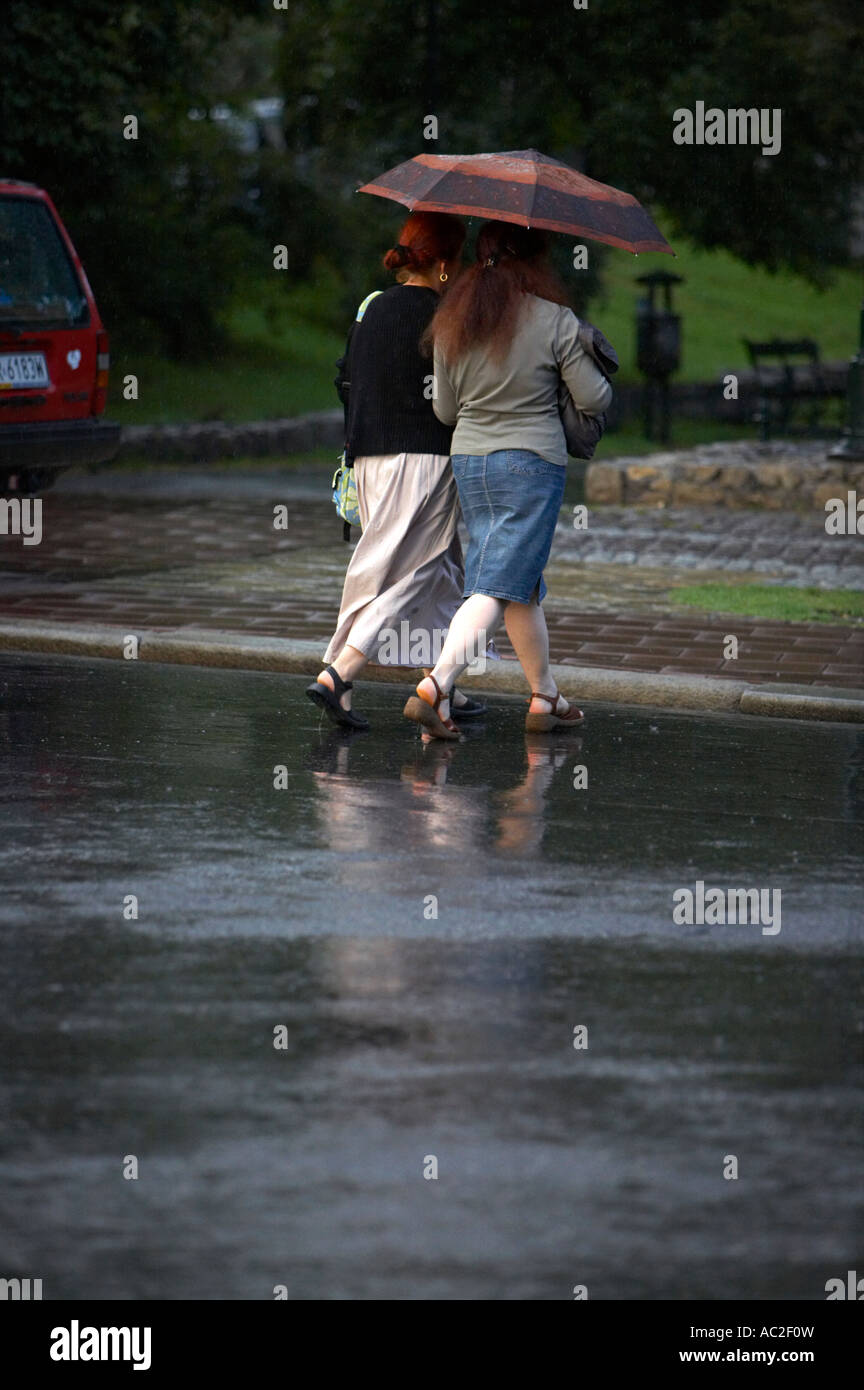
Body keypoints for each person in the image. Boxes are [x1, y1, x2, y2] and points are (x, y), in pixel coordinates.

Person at [402, 220, 612, 740]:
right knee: (497, 582)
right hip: (531, 463)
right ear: (535, 259)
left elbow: (445, 409)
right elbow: (595, 400)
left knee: (519, 583)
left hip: (471, 460)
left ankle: (545, 697)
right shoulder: (555, 320)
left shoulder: (454, 319)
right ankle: (436, 685)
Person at [307, 211, 486, 730]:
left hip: (368, 457)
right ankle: (339, 673)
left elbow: (345, 378)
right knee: (417, 570)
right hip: (424, 459)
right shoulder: (443, 316)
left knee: (427, 568)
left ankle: (441, 686)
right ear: (447, 265)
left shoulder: (371, 307)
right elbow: (457, 395)